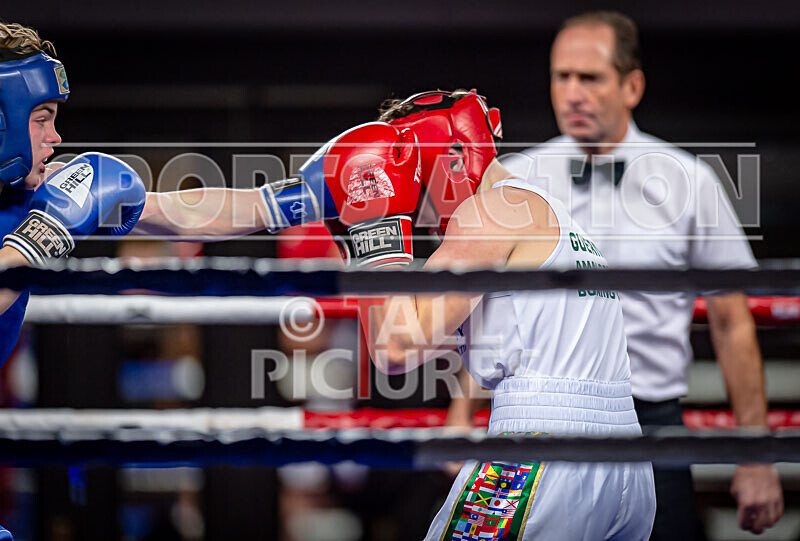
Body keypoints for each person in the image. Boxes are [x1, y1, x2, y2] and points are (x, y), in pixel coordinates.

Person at [497, 11, 783, 537]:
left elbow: (732, 322)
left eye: (591, 78)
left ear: (632, 85)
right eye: (562, 77)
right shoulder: (518, 178)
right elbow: (493, 307)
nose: (573, 93)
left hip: (651, 422)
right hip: (537, 418)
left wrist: (755, 455)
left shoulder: (691, 182)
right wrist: (464, 421)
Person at [324, 89, 655, 539]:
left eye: (416, 182)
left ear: (454, 158)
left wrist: (375, 226)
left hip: (537, 451)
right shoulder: (549, 215)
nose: (419, 209)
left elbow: (395, 347)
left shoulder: (485, 215)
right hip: (625, 464)